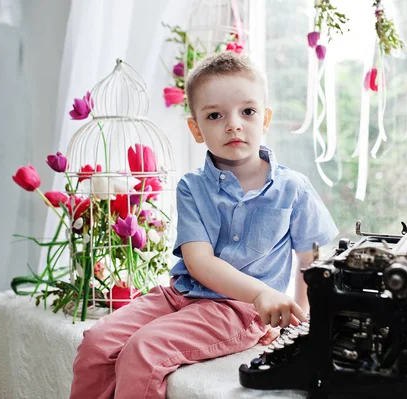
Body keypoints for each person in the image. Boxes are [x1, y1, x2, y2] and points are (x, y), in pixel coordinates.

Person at [69, 51, 338, 399]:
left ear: (265, 119)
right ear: (196, 128)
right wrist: (262, 292)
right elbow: (199, 261)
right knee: (96, 342)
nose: (233, 124)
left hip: (237, 310)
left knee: (144, 351)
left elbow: (310, 261)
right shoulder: (192, 187)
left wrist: (298, 323)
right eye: (215, 115)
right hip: (180, 295)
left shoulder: (293, 188)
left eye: (248, 112)